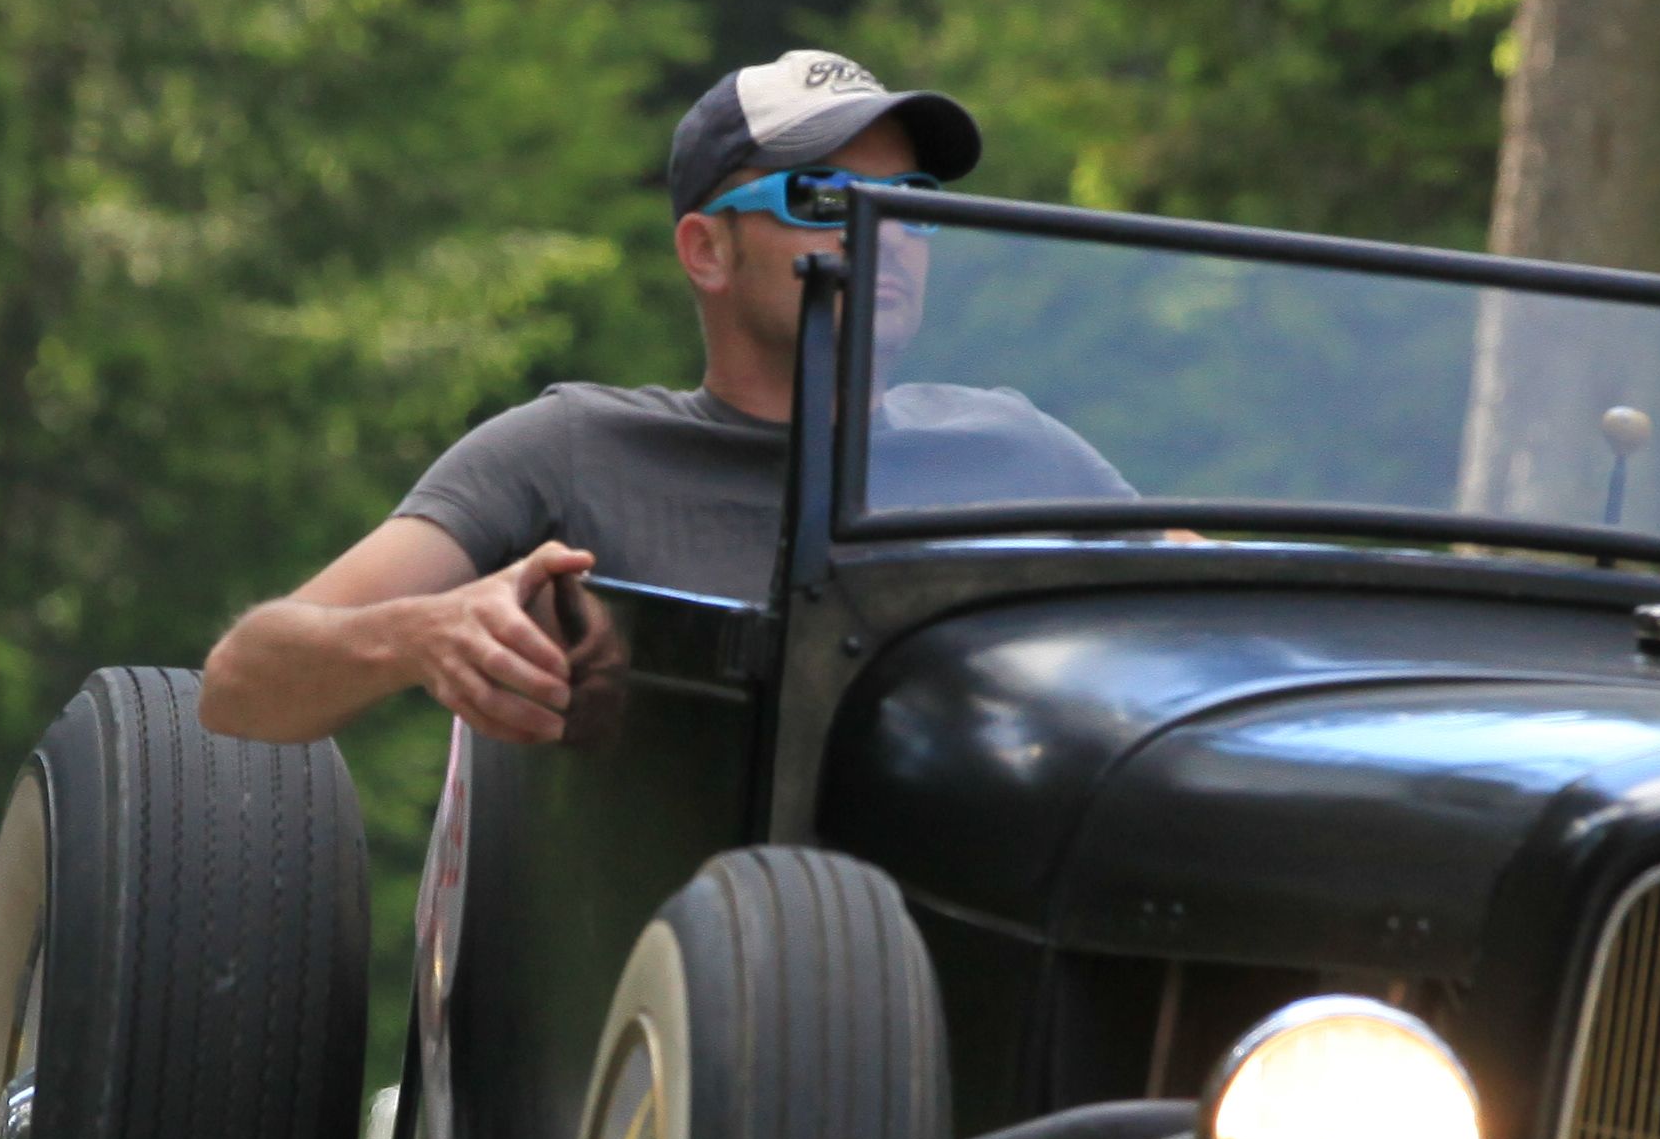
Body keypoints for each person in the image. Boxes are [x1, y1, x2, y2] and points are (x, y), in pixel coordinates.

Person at [201, 50, 1131, 744]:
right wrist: (424, 632)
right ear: (706, 250)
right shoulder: (572, 451)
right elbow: (239, 685)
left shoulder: (1019, 449)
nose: (881, 230)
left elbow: (1238, 614)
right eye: (824, 197)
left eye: (910, 198)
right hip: (672, 984)